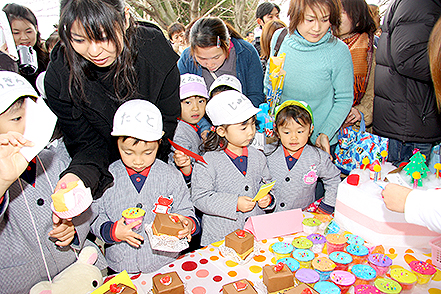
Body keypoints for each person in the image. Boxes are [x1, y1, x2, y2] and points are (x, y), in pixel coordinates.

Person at [44, 0, 181, 199]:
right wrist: (77, 177)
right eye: (79, 40)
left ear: (125, 18)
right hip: (102, 170)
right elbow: (85, 144)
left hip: (152, 159)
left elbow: (167, 120)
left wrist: (141, 159)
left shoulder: (155, 54)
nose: (94, 51)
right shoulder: (60, 77)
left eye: (103, 37)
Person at [0, 71, 104, 293]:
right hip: (22, 285)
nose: (28, 124)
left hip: (77, 274)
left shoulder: (54, 158)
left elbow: (83, 206)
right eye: (16, 119)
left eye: (28, 115)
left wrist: (73, 228)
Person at [91, 99, 199, 274]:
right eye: (128, 152)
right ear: (117, 143)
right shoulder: (107, 176)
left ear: (158, 143)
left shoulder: (171, 176)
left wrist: (188, 224)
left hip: (164, 262)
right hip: (121, 265)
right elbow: (96, 215)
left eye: (148, 152)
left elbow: (186, 210)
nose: (138, 160)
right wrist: (112, 231)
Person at [264, 0, 353, 155]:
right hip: (282, 140)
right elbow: (269, 83)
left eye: (325, 20)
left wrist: (325, 133)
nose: (317, 28)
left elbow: (344, 99)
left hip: (319, 142)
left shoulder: (339, 51)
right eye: (310, 20)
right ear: (295, 16)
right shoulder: (280, 38)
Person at [191, 90, 274, 246]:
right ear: (222, 131)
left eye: (253, 124)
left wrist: (268, 199)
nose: (251, 131)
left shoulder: (258, 156)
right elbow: (199, 197)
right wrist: (234, 203)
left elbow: (267, 183)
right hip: (220, 237)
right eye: (243, 128)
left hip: (255, 233)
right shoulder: (207, 161)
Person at [373, 0, 441, 167]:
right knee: (408, 188)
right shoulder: (421, 3)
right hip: (410, 123)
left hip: (411, 119)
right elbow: (408, 58)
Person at [267, 100, 340, 214]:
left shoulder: (318, 158)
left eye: (300, 131)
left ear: (310, 130)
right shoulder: (267, 154)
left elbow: (333, 178)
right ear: (277, 131)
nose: (294, 138)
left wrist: (328, 204)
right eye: (287, 132)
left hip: (302, 217)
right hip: (270, 216)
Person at [178, 17, 265, 108]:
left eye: (216, 57)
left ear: (227, 44)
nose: (210, 64)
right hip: (201, 120)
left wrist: (241, 121)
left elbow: (255, 95)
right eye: (202, 58)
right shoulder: (187, 58)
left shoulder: (247, 52)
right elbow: (182, 99)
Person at [335, 0, 377, 129]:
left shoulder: (370, 53)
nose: (335, 17)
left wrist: (360, 111)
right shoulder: (324, 45)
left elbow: (375, 93)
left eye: (342, 12)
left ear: (357, 18)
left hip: (353, 130)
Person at [170, 73, 209, 185]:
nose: (195, 108)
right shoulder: (180, 134)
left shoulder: (194, 124)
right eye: (188, 102)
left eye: (201, 101)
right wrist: (185, 167)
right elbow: (183, 176)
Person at [2, 3, 49, 92]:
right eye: (16, 33)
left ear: (36, 29)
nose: (24, 37)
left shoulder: (48, 57)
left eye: (28, 32)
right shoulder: (3, 62)